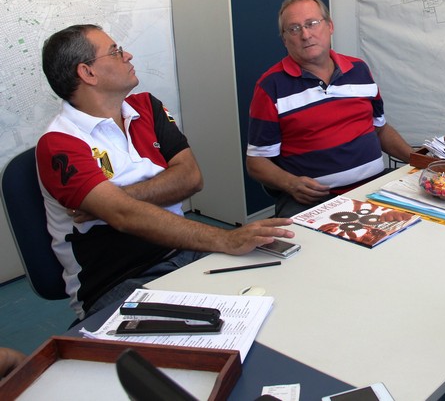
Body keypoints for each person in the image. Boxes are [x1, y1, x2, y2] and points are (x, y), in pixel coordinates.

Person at [36, 24, 295, 320]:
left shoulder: (147, 107)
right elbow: (124, 216)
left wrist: (115, 200)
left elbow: (191, 178)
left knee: (277, 295)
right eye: (116, 52)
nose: (128, 55)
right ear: (87, 73)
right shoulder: (58, 144)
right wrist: (225, 238)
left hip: (183, 251)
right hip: (118, 281)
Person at [246, 0, 413, 217]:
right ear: (285, 39)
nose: (305, 35)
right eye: (294, 29)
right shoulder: (270, 87)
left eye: (312, 23)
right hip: (316, 201)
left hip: (375, 188)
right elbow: (257, 162)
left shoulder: (359, 70)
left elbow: (380, 129)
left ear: (330, 26)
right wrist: (290, 183)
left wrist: (418, 161)